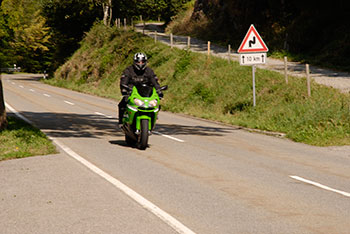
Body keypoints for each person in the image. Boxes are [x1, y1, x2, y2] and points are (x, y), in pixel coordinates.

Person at [118, 52, 163, 126]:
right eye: (138, 62)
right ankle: (121, 122)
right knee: (122, 104)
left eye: (142, 62)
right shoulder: (128, 70)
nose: (140, 63)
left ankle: (154, 117)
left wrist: (159, 90)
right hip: (132, 92)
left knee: (157, 104)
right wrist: (124, 90)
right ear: (134, 62)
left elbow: (155, 82)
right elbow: (123, 81)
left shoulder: (149, 71)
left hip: (146, 94)